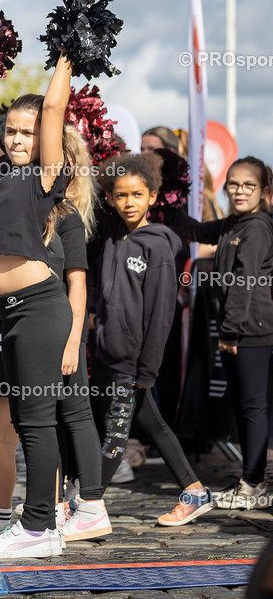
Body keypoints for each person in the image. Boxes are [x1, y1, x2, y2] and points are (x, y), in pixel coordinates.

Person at [0, 134, 110, 548]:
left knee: (64, 418)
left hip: (54, 331)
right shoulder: (18, 202)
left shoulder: (67, 216)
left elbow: (76, 285)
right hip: (14, 329)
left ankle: (69, 511)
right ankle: (20, 519)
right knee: (22, 425)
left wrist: (73, 342)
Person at [0, 53, 72, 559]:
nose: (15, 139)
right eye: (10, 131)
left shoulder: (46, 176)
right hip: (14, 312)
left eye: (26, 133)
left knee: (37, 419)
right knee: (27, 421)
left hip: (42, 307)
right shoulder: (0, 174)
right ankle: (38, 528)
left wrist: (69, 50)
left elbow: (53, 106)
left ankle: (40, 528)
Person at [93, 154, 214, 525]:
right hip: (110, 355)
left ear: (153, 196)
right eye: (121, 195)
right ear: (110, 198)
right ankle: (194, 492)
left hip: (134, 362)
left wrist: (147, 369)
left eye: (137, 194)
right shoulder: (112, 236)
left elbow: (162, 313)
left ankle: (87, 503)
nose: (129, 202)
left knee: (116, 433)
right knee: (154, 424)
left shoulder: (158, 246)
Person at [166, 157, 273, 510]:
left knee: (252, 408)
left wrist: (229, 332)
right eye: (234, 184)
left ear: (264, 191)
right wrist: (170, 196)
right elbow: (196, 231)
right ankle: (250, 479)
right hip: (239, 333)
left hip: (252, 334)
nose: (240, 191)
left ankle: (255, 484)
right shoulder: (234, 224)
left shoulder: (257, 228)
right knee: (243, 409)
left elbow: (245, 284)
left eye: (249, 186)